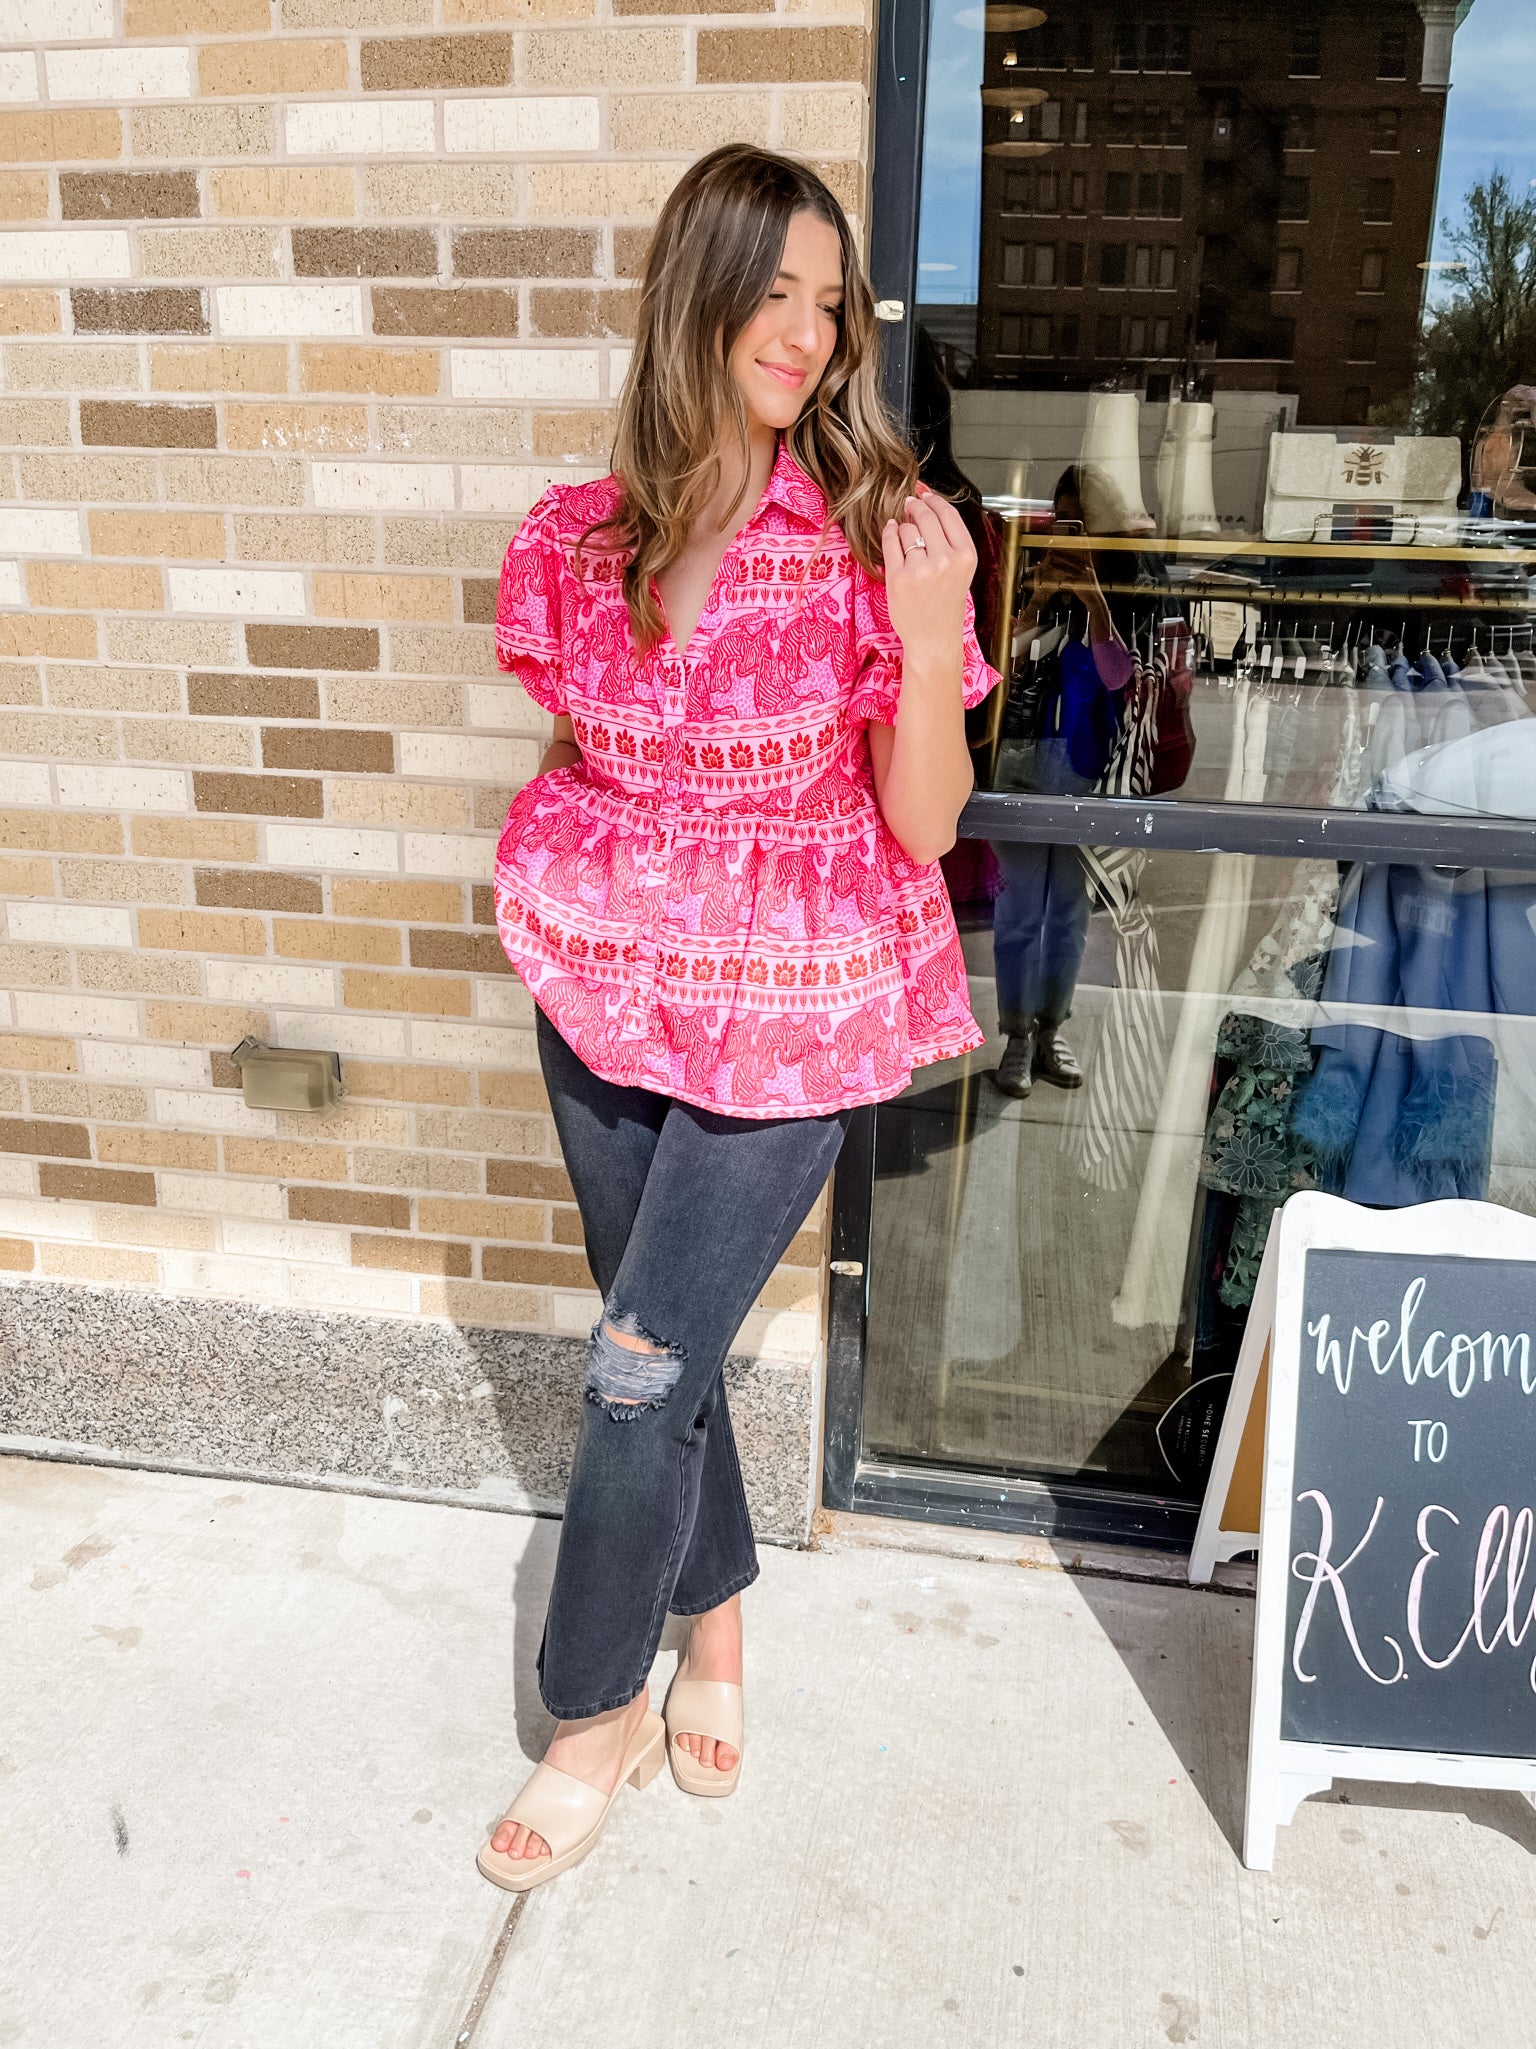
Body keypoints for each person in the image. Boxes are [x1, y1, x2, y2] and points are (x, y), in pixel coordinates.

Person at [479, 144, 998, 1892]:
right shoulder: (577, 540)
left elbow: (924, 822)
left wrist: (931, 639)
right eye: (772, 286)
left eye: (826, 295)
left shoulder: (869, 538)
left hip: (793, 1006)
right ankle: (718, 1637)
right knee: (662, 1345)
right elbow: (586, 749)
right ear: (692, 290)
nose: (805, 327)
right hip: (609, 986)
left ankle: (584, 1714)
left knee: (630, 1376)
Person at [988, 466, 1133, 1099]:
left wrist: (1097, 604)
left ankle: (1052, 1028)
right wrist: (1036, 602)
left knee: (1070, 914)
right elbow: (993, 665)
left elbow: (1120, 681)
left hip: (1084, 762)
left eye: (1083, 520)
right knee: (1020, 906)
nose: (1072, 533)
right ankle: (1018, 1033)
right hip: (1019, 756)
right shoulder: (1027, 567)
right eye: (1064, 517)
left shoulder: (1124, 582)